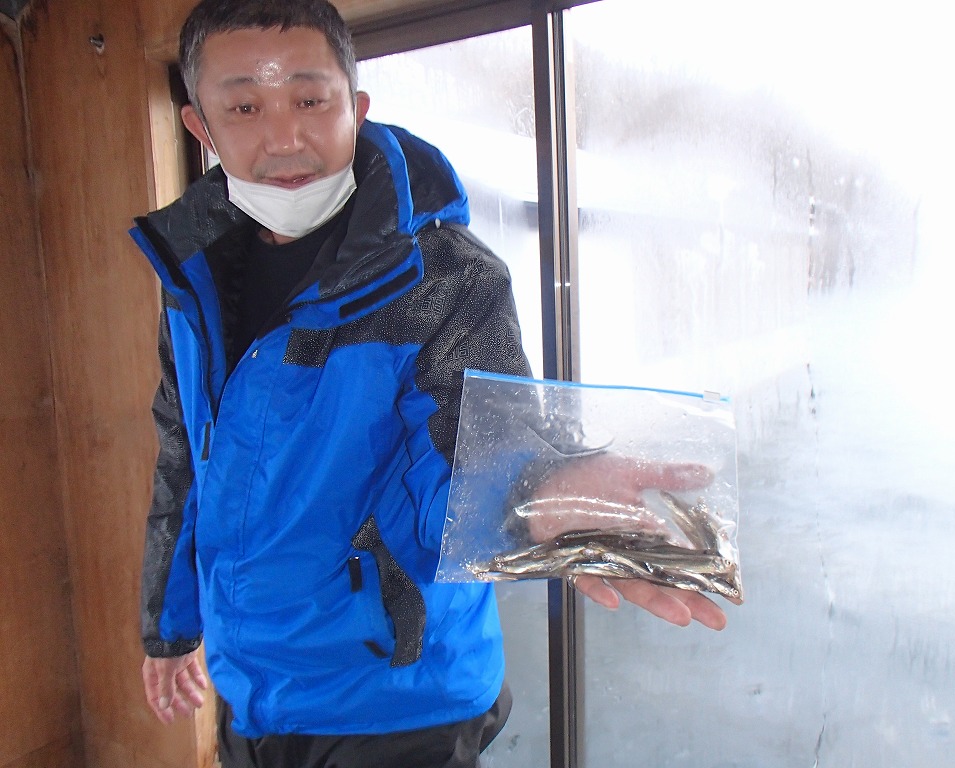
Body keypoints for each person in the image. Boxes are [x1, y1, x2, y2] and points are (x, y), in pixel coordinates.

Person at [132, 1, 726, 765]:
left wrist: (539, 492)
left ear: (355, 108)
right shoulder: (195, 280)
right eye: (245, 107)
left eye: (310, 100)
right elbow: (187, 460)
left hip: (400, 701)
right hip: (255, 691)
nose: (284, 138)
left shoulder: (442, 276)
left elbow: (474, 452)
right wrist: (171, 626)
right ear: (201, 128)